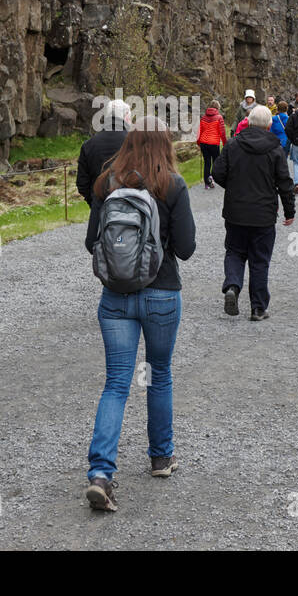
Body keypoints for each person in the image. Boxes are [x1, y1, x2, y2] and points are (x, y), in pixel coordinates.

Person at [83, 117, 196, 512]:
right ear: (165, 145)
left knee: (116, 383)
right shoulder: (173, 185)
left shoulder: (106, 182)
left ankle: (100, 473)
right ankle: (161, 458)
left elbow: (89, 243)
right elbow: (186, 248)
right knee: (159, 373)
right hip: (162, 293)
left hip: (114, 296)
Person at [212, 106, 295, 321]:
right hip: (264, 214)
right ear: (269, 125)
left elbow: (217, 173)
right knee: (260, 260)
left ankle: (232, 285)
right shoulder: (275, 149)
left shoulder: (233, 145)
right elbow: (284, 183)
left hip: (236, 211)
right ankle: (258, 308)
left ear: (247, 122)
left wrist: (233, 187)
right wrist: (289, 211)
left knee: (234, 251)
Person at [76, 99, 132, 205]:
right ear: (126, 117)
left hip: (99, 208)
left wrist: (94, 202)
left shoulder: (88, 145)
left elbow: (82, 184)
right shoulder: (135, 142)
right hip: (130, 211)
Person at [196, 100, 226, 189]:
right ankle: (213, 179)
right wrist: (225, 144)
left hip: (204, 143)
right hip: (214, 143)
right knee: (216, 163)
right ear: (217, 108)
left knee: (207, 163)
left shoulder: (203, 118)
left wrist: (199, 143)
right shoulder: (219, 118)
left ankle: (207, 183)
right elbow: (222, 133)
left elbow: (199, 132)